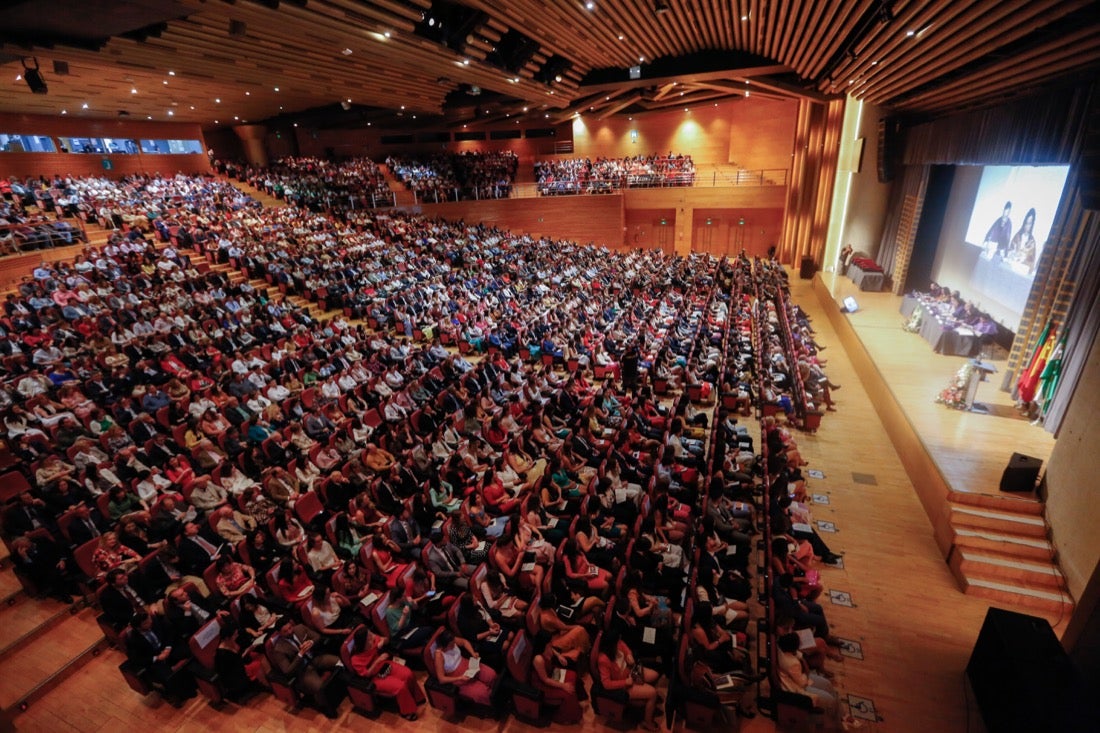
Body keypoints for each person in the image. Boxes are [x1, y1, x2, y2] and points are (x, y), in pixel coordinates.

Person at [267, 617, 342, 718]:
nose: (290, 632)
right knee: (320, 687)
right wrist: (300, 654)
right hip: (303, 670)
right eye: (285, 631)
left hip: (315, 658)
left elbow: (317, 637)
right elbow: (287, 671)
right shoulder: (279, 649)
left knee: (338, 661)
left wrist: (311, 642)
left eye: (290, 628)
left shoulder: (300, 628)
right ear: (280, 634)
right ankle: (326, 708)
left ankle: (342, 689)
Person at [347, 625, 425, 720]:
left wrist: (383, 641)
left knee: (408, 673)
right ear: (365, 641)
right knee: (400, 687)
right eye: (370, 636)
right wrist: (377, 661)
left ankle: (417, 697)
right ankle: (407, 712)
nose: (372, 635)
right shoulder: (355, 659)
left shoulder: (373, 641)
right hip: (374, 677)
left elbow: (386, 639)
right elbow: (366, 674)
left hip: (384, 664)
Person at [596, 629, 661, 731]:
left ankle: (647, 702)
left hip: (630, 671)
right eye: (617, 641)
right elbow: (606, 684)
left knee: (654, 675)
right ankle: (647, 722)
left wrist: (629, 655)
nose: (619, 642)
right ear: (611, 644)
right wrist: (625, 682)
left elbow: (625, 648)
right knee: (653, 693)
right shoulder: (603, 659)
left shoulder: (618, 643)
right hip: (624, 683)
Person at [431, 629, 498, 706]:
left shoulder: (451, 639)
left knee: (491, 674)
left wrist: (472, 653)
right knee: (483, 693)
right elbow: (441, 679)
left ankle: (497, 693)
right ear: (444, 646)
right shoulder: (439, 656)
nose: (454, 645)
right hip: (457, 676)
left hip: (466, 663)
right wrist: (459, 678)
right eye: (451, 645)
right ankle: (493, 705)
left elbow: (464, 642)